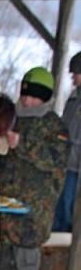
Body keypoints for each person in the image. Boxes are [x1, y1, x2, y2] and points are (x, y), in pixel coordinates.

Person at [0, 68, 69, 270]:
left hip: (33, 209)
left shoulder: (53, 125)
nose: (26, 100)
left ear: (44, 97)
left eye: (33, 95)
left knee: (24, 258)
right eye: (24, 94)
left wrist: (21, 144)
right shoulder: (11, 117)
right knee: (0, 256)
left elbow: (57, 160)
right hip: (4, 202)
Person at [53, 51, 81, 233]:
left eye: (76, 74)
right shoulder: (73, 98)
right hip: (66, 162)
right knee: (61, 203)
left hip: (76, 165)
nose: (73, 78)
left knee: (70, 206)